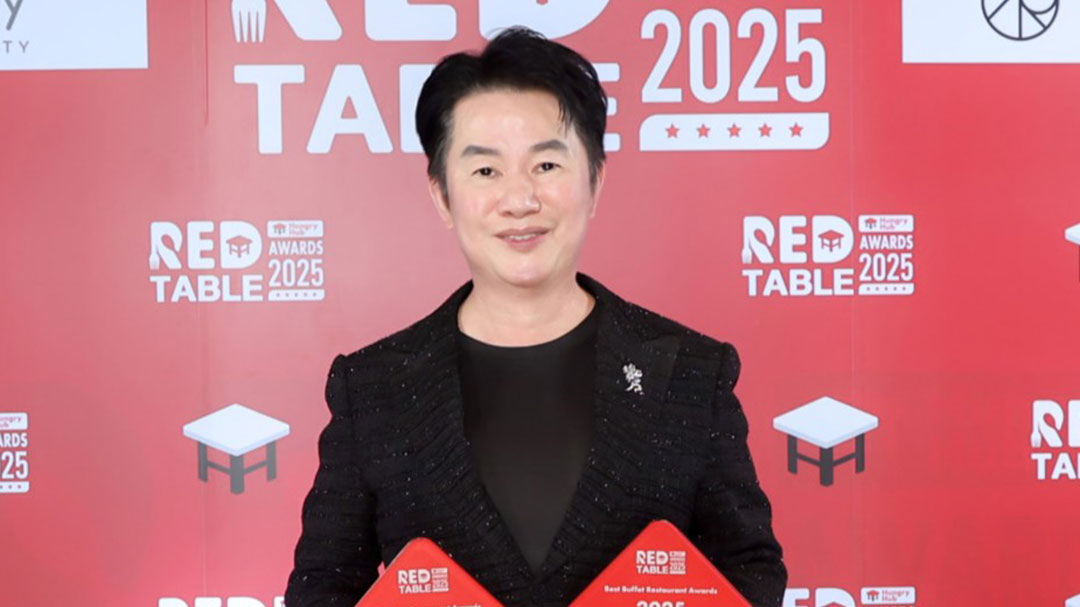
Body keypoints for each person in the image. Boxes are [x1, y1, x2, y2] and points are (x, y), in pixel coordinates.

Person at [284, 26, 786, 607]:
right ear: (442, 196)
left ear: (595, 180)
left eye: (546, 165)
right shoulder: (373, 387)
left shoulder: (690, 372)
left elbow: (749, 572)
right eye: (486, 171)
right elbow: (322, 588)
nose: (520, 200)